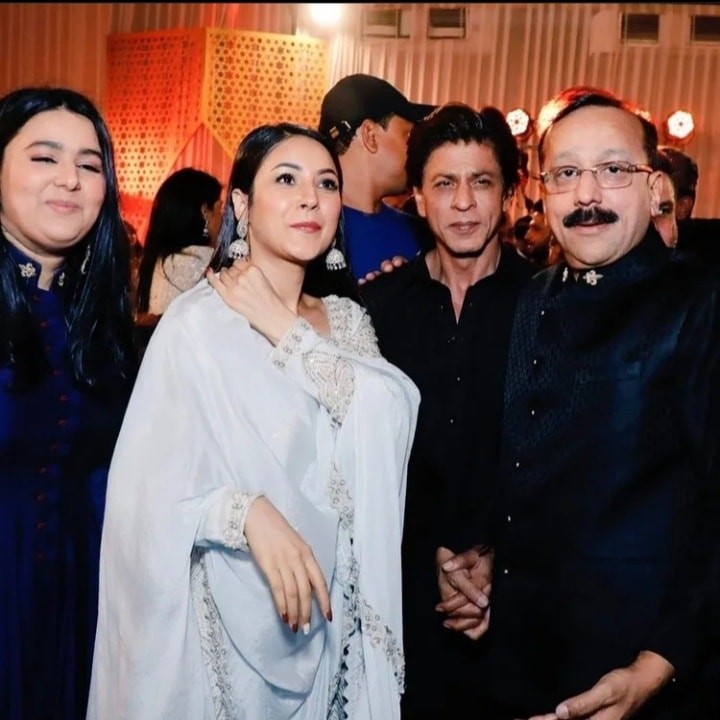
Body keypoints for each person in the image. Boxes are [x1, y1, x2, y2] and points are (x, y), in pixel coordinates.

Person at [87, 122, 420, 720]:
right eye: (286, 180)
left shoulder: (346, 322)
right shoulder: (195, 326)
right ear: (241, 205)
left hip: (330, 622)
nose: (310, 198)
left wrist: (285, 330)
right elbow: (144, 497)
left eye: (326, 183)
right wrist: (246, 513)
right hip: (221, 626)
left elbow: (389, 419)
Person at [438, 85, 720, 719]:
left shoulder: (699, 305)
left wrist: (656, 666)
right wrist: (486, 557)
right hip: (516, 667)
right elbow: (526, 466)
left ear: (654, 187)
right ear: (542, 190)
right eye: (566, 173)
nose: (587, 195)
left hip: (645, 676)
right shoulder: (527, 300)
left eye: (613, 170)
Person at [360, 102, 535, 718]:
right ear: (417, 196)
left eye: (481, 182)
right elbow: (362, 464)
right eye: (444, 183)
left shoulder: (549, 308)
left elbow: (567, 464)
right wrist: (433, 550)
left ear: (508, 195)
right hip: (402, 598)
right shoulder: (375, 311)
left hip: (521, 609)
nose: (463, 202)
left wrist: (495, 561)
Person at [0, 86, 138, 720]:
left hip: (78, 605)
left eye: (89, 164)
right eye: (44, 157)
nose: (70, 179)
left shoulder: (101, 322)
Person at [319, 73, 435, 280]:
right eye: (408, 136)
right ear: (370, 135)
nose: (417, 150)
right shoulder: (309, 231)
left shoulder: (422, 232)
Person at [135, 166, 223, 317]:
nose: (224, 218)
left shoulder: (158, 261)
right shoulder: (203, 262)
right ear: (205, 212)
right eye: (220, 208)